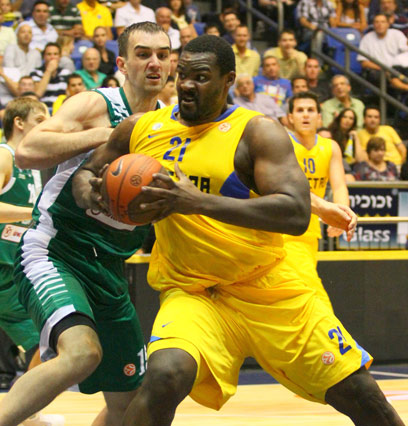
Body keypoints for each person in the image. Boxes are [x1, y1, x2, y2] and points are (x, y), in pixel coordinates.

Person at [73, 34, 404, 426]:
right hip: (194, 292)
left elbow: (296, 211)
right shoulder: (141, 128)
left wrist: (196, 202)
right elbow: (87, 172)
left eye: (200, 77)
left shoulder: (257, 132)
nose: (187, 85)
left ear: (228, 80)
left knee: (362, 396)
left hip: (270, 290)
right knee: (164, 375)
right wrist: (92, 193)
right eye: (182, 75)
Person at [0, 22, 171, 426]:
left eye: (163, 55)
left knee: (131, 405)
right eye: (143, 54)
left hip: (109, 270)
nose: (154, 63)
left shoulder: (170, 126)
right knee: (82, 353)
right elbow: (28, 150)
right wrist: (110, 136)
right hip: (56, 252)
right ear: (122, 64)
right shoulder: (97, 103)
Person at [0, 97, 65, 426]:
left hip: (15, 266)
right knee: (48, 337)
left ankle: (24, 411)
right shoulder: (4, 155)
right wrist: (33, 212)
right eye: (40, 119)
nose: (47, 124)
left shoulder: (33, 164)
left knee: (47, 339)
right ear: (19, 123)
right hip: (3, 269)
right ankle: (23, 413)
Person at [285, 91, 353, 310]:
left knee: (300, 301)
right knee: (315, 298)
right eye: (300, 110)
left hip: (310, 234)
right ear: (290, 117)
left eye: (310, 110)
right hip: (280, 234)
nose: (305, 115)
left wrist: (341, 214)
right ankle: (330, 331)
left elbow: (339, 186)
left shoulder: (330, 147)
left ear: (319, 117)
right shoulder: (281, 143)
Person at [30, 42, 71, 110]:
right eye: (49, 54)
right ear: (44, 56)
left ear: (60, 56)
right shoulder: (36, 72)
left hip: (61, 109)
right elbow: (38, 93)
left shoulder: (66, 73)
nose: (52, 57)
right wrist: (49, 71)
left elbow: (69, 94)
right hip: (43, 109)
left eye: (55, 54)